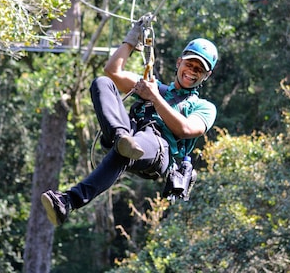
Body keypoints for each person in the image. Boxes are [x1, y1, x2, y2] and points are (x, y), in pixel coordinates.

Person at [41, 16, 219, 227]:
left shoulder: (204, 107)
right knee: (102, 83)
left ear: (206, 76)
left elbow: (185, 129)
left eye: (198, 70)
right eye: (189, 64)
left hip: (159, 148)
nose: (191, 72)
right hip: (130, 131)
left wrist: (154, 97)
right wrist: (131, 39)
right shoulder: (156, 88)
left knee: (127, 150)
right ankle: (120, 138)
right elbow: (113, 71)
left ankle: (68, 201)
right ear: (179, 62)